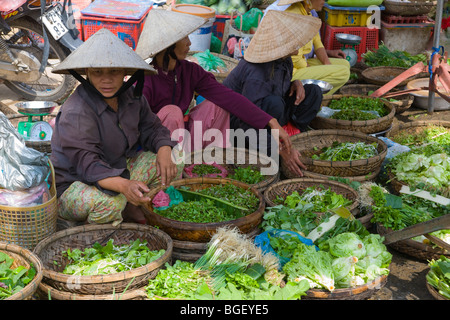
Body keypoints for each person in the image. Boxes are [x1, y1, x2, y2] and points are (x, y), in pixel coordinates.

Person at [135, 9, 304, 176]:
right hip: (157, 146)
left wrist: (270, 121)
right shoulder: (146, 79)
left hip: (184, 139)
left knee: (218, 106)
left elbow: (228, 97)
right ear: (168, 45)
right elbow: (139, 123)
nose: (189, 43)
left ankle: (207, 162)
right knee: (172, 112)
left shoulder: (189, 71)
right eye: (184, 38)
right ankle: (174, 172)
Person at [50, 28, 179, 226]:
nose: (106, 79)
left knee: (174, 160)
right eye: (98, 72)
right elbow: (89, 166)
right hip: (74, 185)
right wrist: (124, 186)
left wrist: (163, 149)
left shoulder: (131, 97)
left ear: (124, 73)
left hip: (115, 170)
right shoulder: (76, 112)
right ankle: (95, 234)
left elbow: (152, 128)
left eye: (114, 71)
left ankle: (134, 208)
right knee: (111, 203)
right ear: (87, 74)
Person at [223, 10, 323, 155]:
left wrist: (294, 83)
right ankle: (271, 144)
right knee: (274, 103)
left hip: (271, 116)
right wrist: (277, 150)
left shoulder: (285, 60)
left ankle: (290, 133)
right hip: (240, 127)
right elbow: (247, 121)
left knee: (314, 92)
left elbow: (275, 86)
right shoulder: (257, 72)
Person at [265, 0, 350, 95]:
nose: (324, 1)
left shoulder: (309, 13)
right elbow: (293, 55)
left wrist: (327, 64)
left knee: (345, 64)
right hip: (291, 70)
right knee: (344, 72)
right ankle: (314, 98)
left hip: (302, 62)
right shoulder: (295, 15)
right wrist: (308, 68)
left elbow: (317, 42)